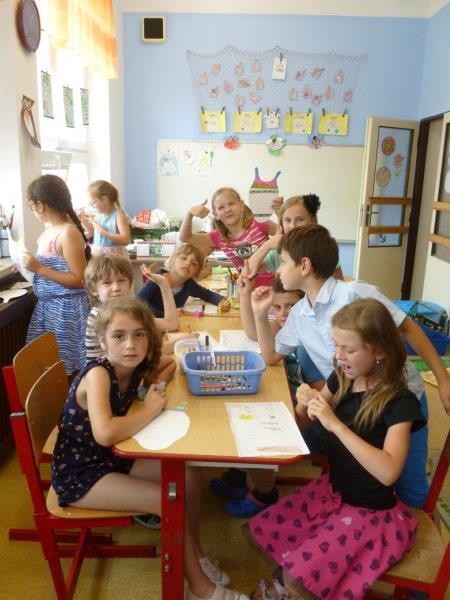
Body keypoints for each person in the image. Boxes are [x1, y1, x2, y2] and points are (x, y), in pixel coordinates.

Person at [51, 297, 249, 600]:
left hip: (112, 457)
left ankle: (194, 555)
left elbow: (167, 366)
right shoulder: (98, 374)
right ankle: (200, 588)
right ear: (103, 342)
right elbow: (105, 434)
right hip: (81, 473)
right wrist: (149, 410)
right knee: (166, 499)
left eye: (139, 335)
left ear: (148, 338)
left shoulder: (132, 366)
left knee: (190, 479)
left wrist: (156, 386)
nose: (130, 344)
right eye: (119, 336)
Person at [252, 224, 450, 508]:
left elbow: (408, 328)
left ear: (304, 265)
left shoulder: (354, 293)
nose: (279, 270)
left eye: (283, 262)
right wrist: (261, 315)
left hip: (399, 397)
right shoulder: (300, 314)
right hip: (355, 402)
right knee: (364, 476)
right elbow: (271, 356)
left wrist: (443, 379)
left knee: (410, 489)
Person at [249, 298, 426, 600]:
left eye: (349, 349)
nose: (338, 356)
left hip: (372, 515)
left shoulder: (400, 402)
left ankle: (287, 590)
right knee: (282, 544)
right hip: (336, 496)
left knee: (296, 578)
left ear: (380, 351)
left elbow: (388, 471)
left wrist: (335, 425)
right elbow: (304, 423)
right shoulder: (344, 377)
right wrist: (304, 405)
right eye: (336, 346)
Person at [210, 276, 322, 519]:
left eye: (290, 306)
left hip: (309, 419)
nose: (283, 313)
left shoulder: (310, 344)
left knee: (249, 428)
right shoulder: (290, 330)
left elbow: (322, 399)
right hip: (288, 402)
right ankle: (238, 476)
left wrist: (296, 416)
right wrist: (249, 300)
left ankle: (265, 493)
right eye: (277, 307)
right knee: (237, 406)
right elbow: (255, 333)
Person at [23, 174, 91, 375]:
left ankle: (71, 396)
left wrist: (39, 269)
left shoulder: (68, 233)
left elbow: (80, 279)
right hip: (48, 308)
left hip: (66, 310)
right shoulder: (48, 232)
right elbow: (48, 268)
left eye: (32, 206)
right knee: (48, 365)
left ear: (40, 206)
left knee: (67, 367)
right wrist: (27, 266)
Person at [178, 188, 279, 287]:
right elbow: (185, 238)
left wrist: (280, 212)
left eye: (231, 203)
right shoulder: (219, 237)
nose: (228, 209)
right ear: (215, 214)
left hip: (276, 286)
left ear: (241, 205)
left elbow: (285, 234)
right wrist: (189, 214)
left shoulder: (259, 224)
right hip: (248, 289)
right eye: (221, 207)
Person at [246, 194, 343, 280]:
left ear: (312, 220)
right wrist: (267, 245)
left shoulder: (323, 248)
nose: (292, 226)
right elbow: (248, 272)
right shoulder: (277, 251)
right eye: (287, 220)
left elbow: (338, 284)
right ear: (282, 223)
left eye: (300, 219)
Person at [137, 243, 231, 316]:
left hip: (174, 326)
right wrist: (166, 314)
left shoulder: (189, 284)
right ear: (173, 261)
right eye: (183, 258)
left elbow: (207, 294)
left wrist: (221, 301)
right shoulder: (157, 279)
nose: (188, 263)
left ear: (196, 272)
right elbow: (137, 304)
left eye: (194, 263)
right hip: (152, 325)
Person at [81, 180, 131, 258]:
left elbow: (126, 240)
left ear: (104, 200)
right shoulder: (98, 215)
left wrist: (102, 231)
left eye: (93, 203)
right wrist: (83, 221)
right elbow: (93, 233)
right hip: (98, 255)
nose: (92, 206)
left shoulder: (119, 215)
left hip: (114, 257)